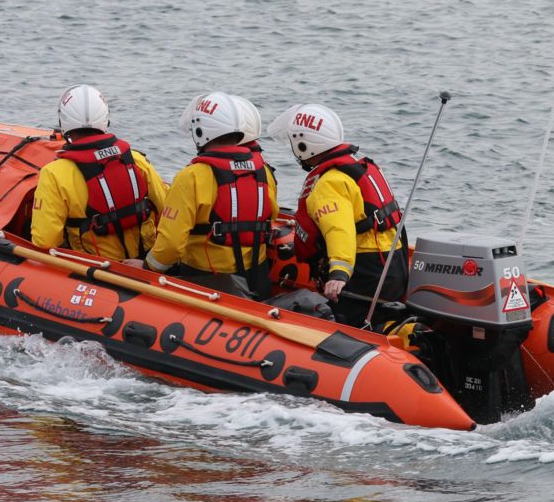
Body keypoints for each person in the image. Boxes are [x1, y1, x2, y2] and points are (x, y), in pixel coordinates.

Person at [123, 92, 278, 300]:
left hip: (208, 282)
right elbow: (271, 217)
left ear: (199, 130)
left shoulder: (192, 177)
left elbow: (171, 244)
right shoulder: (264, 171)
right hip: (258, 279)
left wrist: (147, 265)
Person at [267, 103, 408, 327]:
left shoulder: (329, 183)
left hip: (364, 270)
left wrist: (339, 274)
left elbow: (338, 230)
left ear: (304, 144)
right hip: (393, 262)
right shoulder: (359, 167)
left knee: (352, 325)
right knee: (379, 320)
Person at [31, 85, 168, 260]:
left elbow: (44, 242)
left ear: (63, 122)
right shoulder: (136, 160)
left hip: (95, 271)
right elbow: (167, 209)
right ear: (105, 119)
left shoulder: (54, 174)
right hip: (144, 264)